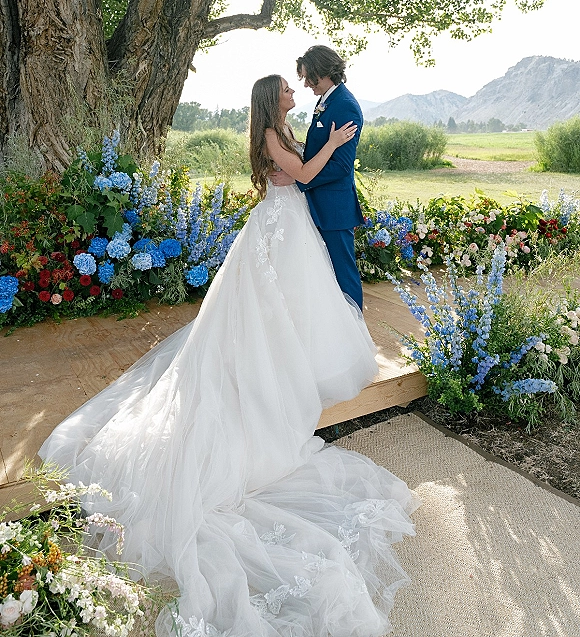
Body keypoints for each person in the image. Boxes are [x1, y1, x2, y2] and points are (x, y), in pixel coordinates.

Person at [39, 75, 418, 637]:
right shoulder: (270, 132)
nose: (294, 93)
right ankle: (269, 372)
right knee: (270, 312)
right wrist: (335, 144)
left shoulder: (281, 127)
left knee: (292, 310)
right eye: (287, 89)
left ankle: (292, 363)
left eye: (296, 87)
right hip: (278, 228)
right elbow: (306, 175)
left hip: (290, 228)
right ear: (272, 99)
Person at [272, 45, 365, 310]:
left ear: (322, 72)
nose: (304, 84)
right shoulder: (326, 100)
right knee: (325, 277)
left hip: (334, 208)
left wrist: (298, 178)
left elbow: (342, 167)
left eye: (307, 77)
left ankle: (355, 336)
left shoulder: (345, 106)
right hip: (316, 204)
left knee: (344, 276)